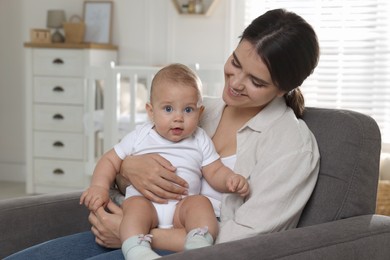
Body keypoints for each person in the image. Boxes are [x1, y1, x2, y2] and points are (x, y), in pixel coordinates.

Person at [5, 8, 320, 259]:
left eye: (256, 81)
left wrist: (135, 235)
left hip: (179, 247)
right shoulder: (197, 110)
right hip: (133, 227)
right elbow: (125, 164)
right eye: (235, 63)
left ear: (286, 88)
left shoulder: (292, 146)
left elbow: (249, 239)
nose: (235, 82)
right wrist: (128, 169)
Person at [80, 63, 249, 259]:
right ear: (151, 111)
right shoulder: (141, 135)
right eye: (168, 109)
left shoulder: (200, 139)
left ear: (200, 113)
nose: (178, 118)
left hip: (181, 210)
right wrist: (99, 186)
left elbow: (215, 170)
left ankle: (198, 241)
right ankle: (136, 248)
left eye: (188, 110)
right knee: (135, 208)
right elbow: (110, 159)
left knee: (200, 203)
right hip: (146, 204)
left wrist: (231, 179)